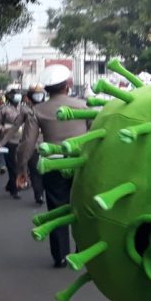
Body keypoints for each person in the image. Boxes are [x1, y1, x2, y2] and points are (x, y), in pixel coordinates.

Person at [18, 65, 88, 267]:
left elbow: (28, 143)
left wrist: (22, 168)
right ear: (69, 84)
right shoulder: (83, 106)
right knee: (83, 208)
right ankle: (82, 250)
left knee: (57, 209)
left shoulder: (37, 111)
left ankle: (61, 256)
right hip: (81, 165)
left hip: (54, 165)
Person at [0, 84, 28, 199]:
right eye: (15, 94)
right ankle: (15, 189)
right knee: (12, 165)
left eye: (19, 94)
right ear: (10, 96)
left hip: (23, 139)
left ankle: (11, 185)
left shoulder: (25, 108)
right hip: (9, 140)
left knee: (22, 164)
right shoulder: (3, 109)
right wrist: (4, 128)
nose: (18, 96)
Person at [23, 85, 47, 205]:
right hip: (33, 145)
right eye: (35, 94)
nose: (38, 96)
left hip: (49, 147)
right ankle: (39, 195)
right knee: (35, 172)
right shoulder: (26, 111)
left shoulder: (50, 109)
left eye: (40, 93)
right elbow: (17, 127)